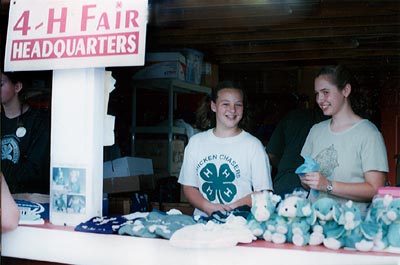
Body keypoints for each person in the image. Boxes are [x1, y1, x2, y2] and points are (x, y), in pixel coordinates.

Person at [299, 64, 388, 215]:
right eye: (317, 94)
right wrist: (307, 180)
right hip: (315, 224)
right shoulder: (316, 131)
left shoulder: (369, 134)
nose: (320, 99)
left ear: (346, 90)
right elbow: (307, 181)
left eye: (326, 92)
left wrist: (328, 185)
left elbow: (375, 189)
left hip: (351, 228)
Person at [178, 80, 273, 217]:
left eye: (238, 105)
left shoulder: (253, 145)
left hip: (241, 223)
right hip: (202, 224)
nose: (232, 110)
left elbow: (264, 192)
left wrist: (230, 208)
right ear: (213, 106)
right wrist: (208, 207)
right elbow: (188, 186)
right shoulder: (196, 142)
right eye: (225, 104)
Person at [1, 70, 51, 194]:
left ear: (17, 87)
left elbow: (35, 171)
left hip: (29, 202)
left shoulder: (39, 121)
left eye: (0, 84)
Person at [266, 106, 328, 198]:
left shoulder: (292, 117)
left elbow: (271, 155)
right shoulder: (333, 122)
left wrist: (285, 166)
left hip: (285, 183)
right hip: (318, 189)